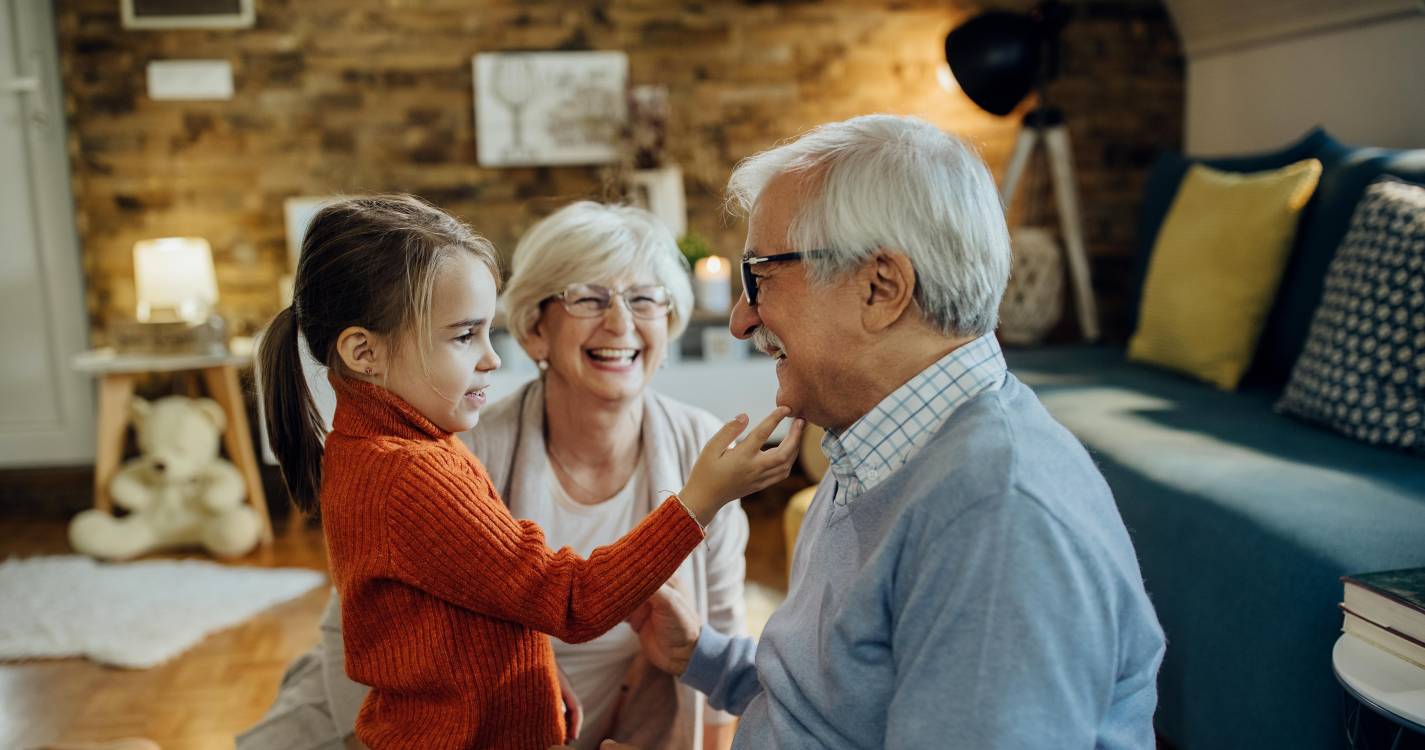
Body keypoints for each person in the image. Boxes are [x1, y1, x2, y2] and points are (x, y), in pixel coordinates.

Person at [616, 115, 1167, 750]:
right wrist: (702, 656)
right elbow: (838, 705)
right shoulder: (876, 443)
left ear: (881, 288)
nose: (742, 319)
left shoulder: (995, 518)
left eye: (759, 277)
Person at [253, 195, 801, 750]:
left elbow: (718, 637)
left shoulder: (697, 443)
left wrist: (526, 671)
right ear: (536, 331)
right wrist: (698, 501)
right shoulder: (434, 462)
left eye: (644, 299)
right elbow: (564, 600)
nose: (621, 321)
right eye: (588, 298)